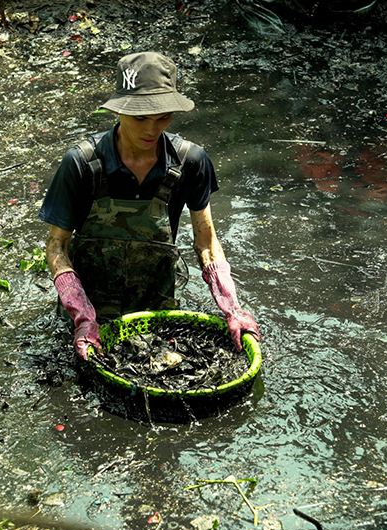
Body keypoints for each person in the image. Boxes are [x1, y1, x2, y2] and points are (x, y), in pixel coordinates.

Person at [38, 51, 260, 360]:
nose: (152, 130)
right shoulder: (82, 163)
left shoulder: (190, 162)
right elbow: (56, 247)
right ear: (119, 111)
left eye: (163, 117)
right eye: (140, 117)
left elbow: (206, 243)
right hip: (88, 307)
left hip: (156, 309)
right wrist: (82, 315)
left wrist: (232, 308)